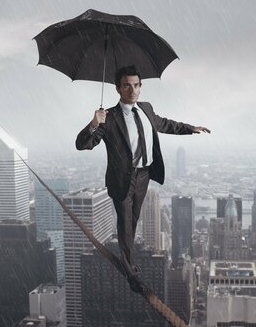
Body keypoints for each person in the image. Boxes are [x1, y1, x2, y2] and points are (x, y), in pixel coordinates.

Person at [76, 65, 210, 293]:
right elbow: (82, 144)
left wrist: (190, 128)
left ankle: (129, 258)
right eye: (127, 85)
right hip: (121, 179)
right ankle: (132, 273)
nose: (132, 90)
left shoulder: (146, 108)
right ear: (118, 88)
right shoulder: (108, 117)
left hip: (144, 175)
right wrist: (94, 123)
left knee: (133, 221)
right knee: (125, 223)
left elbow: (164, 124)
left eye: (136, 85)